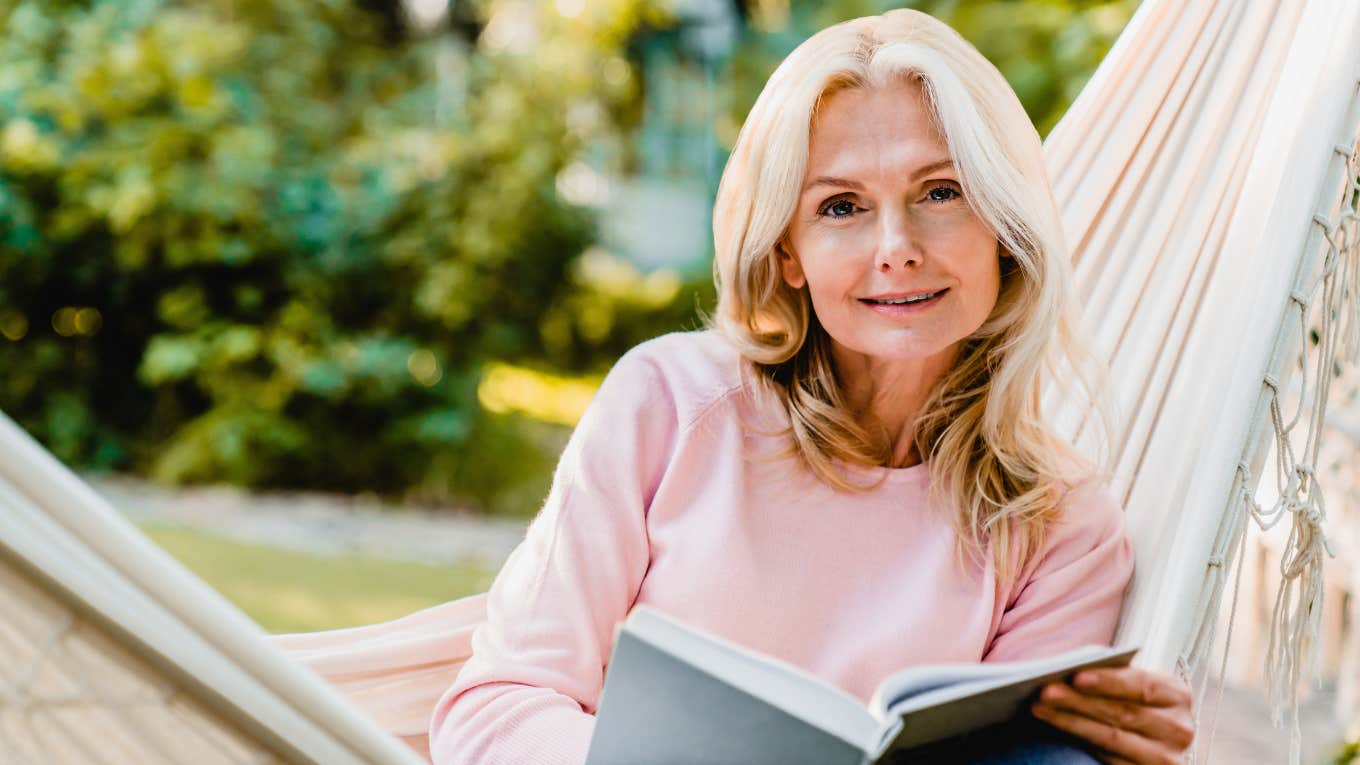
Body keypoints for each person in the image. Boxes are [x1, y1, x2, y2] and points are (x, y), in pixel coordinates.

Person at [429, 9, 1195, 765]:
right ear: (788, 252)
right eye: (841, 206)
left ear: (1004, 222)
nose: (896, 248)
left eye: (941, 191)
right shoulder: (668, 406)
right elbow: (497, 708)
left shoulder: (1060, 526)